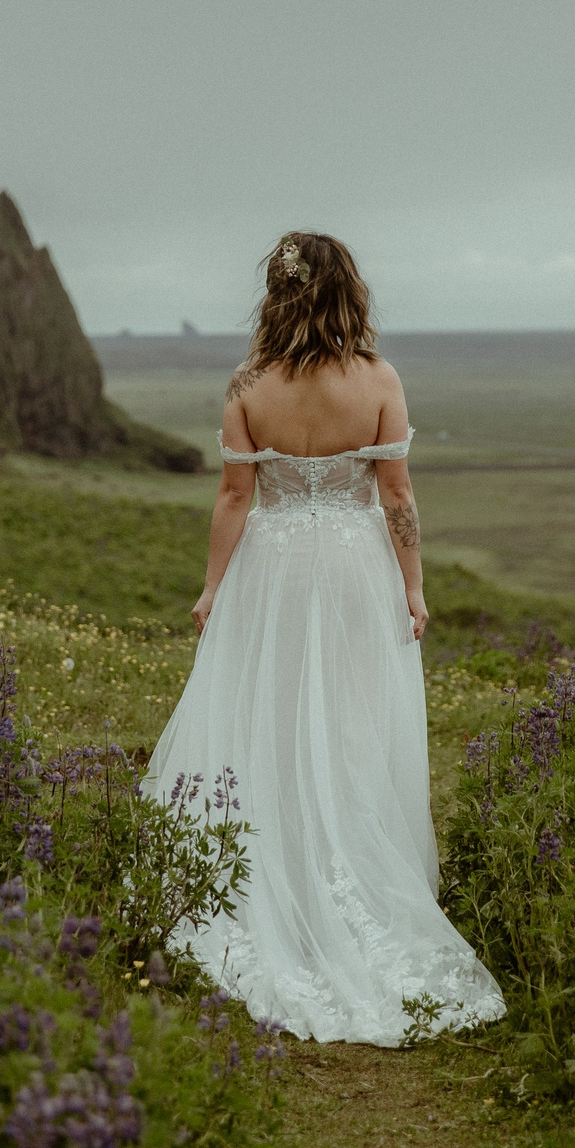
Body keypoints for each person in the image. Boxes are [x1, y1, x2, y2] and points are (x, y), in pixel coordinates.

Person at [140, 231, 505, 1044]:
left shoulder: (246, 384)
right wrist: (412, 585)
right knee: (348, 721)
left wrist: (212, 587)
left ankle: (275, 881)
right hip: (350, 571)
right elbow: (397, 491)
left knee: (265, 719)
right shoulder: (377, 379)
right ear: (348, 292)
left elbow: (236, 497)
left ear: (276, 294)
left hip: (271, 570)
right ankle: (349, 880)